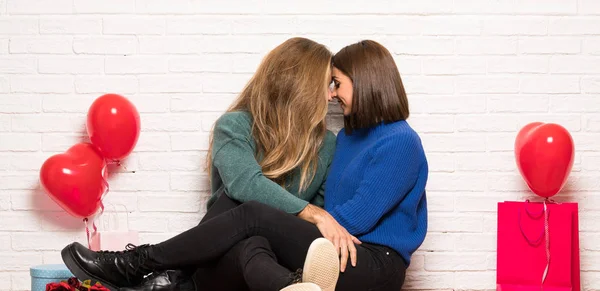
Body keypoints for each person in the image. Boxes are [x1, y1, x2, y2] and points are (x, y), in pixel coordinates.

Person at [60, 39, 429, 291]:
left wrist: (311, 220)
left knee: (253, 217)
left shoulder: (396, 141)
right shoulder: (344, 138)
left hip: (365, 256)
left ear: (365, 84)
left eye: (336, 83)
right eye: (327, 84)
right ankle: (289, 287)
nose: (331, 94)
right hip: (305, 250)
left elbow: (348, 219)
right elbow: (301, 204)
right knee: (246, 223)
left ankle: (138, 263)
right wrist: (313, 218)